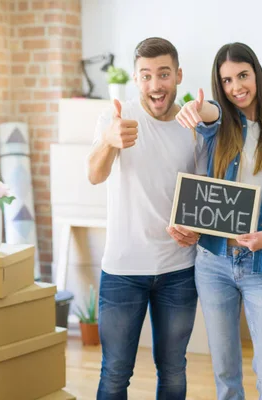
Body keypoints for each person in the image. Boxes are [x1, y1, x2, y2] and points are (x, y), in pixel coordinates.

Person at [169, 42, 262, 399]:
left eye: (243, 75)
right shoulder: (217, 128)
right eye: (227, 80)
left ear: (256, 75)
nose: (237, 87)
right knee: (226, 374)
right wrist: (193, 106)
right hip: (213, 263)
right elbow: (207, 112)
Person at [87, 37, 207, 400]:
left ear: (178, 76)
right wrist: (109, 141)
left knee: (173, 370)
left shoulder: (195, 127)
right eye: (146, 75)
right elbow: (94, 175)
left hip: (178, 271)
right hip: (123, 270)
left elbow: (202, 198)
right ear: (136, 80)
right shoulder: (115, 120)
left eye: (164, 74)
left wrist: (198, 230)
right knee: (115, 373)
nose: (156, 84)